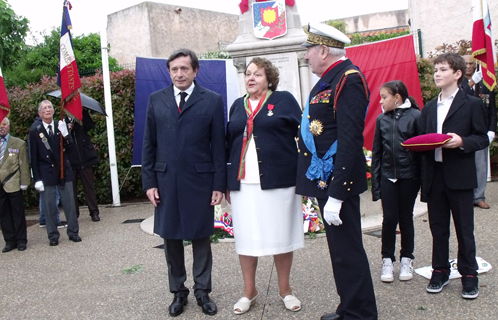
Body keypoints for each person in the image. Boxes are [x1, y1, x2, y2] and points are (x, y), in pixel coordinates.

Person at [295, 22, 378, 320]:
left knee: (348, 251)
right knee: (340, 253)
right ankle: (350, 308)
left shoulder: (348, 79)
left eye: (308, 50)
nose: (306, 57)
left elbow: (350, 139)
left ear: (323, 50)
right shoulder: (331, 78)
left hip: (336, 183)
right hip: (325, 179)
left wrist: (338, 195)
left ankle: (361, 314)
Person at [141, 48, 226, 317]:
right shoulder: (156, 100)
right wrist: (149, 182)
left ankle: (203, 291)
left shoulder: (211, 100)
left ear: (195, 71)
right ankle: (178, 292)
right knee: (171, 239)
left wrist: (218, 184)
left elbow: (218, 148)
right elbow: (148, 144)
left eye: (184, 69)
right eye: (174, 69)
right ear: (169, 72)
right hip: (165, 182)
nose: (179, 73)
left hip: (200, 181)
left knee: (201, 238)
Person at [226, 57, 304, 315]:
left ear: (269, 79)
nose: (250, 78)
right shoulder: (238, 106)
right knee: (247, 238)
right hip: (244, 182)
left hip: (279, 181)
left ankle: (285, 289)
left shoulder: (283, 100)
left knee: (281, 235)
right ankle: (249, 291)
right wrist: (226, 181)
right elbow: (229, 144)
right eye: (248, 74)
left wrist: (306, 175)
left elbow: (303, 136)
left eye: (257, 74)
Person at [419, 53, 488, 299]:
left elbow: (482, 137)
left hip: (460, 176)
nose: (437, 74)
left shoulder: (472, 104)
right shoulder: (428, 108)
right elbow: (422, 141)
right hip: (435, 176)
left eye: (443, 69)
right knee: (438, 229)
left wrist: (462, 141)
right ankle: (440, 271)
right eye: (435, 69)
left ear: (458, 74)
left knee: (464, 229)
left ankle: (469, 275)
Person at [371, 81, 421, 282]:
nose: (381, 101)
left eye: (384, 97)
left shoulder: (416, 117)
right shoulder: (381, 120)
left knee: (406, 218)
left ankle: (407, 258)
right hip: (387, 176)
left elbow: (421, 152)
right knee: (389, 218)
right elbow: (377, 153)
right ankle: (387, 260)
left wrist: (424, 181)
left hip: (409, 176)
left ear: (397, 97)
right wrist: (376, 185)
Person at [28, 100, 81, 246]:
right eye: (44, 108)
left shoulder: (60, 126)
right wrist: (36, 178)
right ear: (39, 113)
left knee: (69, 204)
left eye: (50, 107)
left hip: (64, 171)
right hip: (47, 173)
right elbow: (33, 157)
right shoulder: (35, 130)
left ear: (53, 110)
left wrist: (66, 135)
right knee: (50, 206)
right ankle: (53, 235)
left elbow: (71, 150)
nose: (47, 110)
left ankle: (73, 232)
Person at [460, 54, 496, 209]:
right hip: (464, 131)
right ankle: (466, 197)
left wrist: (491, 130)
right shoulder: (458, 82)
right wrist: (471, 82)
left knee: (481, 166)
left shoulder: (485, 83)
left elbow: (492, 109)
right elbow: (459, 98)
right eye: (466, 63)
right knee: (465, 165)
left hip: (480, 130)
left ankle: (479, 196)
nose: (469, 66)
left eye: (471, 63)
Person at [0, 117, 30, 252]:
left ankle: (21, 240)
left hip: (13, 183)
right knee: (3, 213)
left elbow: (24, 164)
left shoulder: (18, 143)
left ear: (9, 126)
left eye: (4, 124)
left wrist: (24, 181)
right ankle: (9, 241)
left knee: (18, 213)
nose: (2, 127)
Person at [66, 109, 101, 221]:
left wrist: (82, 115)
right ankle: (74, 214)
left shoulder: (81, 114)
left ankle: (94, 212)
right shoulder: (62, 120)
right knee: (72, 189)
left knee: (89, 187)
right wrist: (67, 130)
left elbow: (90, 126)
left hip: (85, 157)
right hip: (71, 159)